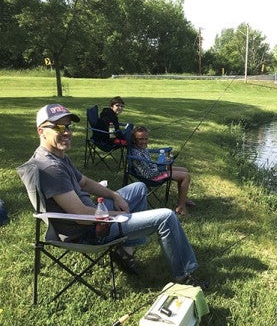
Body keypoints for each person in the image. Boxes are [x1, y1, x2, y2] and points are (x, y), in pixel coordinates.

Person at [29, 103, 203, 285]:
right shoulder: (50, 168)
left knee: (138, 187)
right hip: (89, 231)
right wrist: (117, 215)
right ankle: (184, 276)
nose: (66, 132)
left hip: (93, 216)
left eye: (68, 126)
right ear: (41, 131)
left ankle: (125, 253)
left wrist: (115, 195)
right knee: (166, 217)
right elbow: (81, 216)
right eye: (57, 127)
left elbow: (85, 182)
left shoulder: (56, 156)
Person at [130, 126, 195, 216]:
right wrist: (164, 166)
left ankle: (182, 199)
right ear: (134, 140)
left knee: (185, 170)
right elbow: (148, 174)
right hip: (152, 177)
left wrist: (163, 165)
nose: (144, 141)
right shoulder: (136, 154)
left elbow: (150, 165)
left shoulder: (140, 148)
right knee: (185, 176)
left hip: (155, 169)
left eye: (146, 139)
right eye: (140, 139)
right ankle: (181, 207)